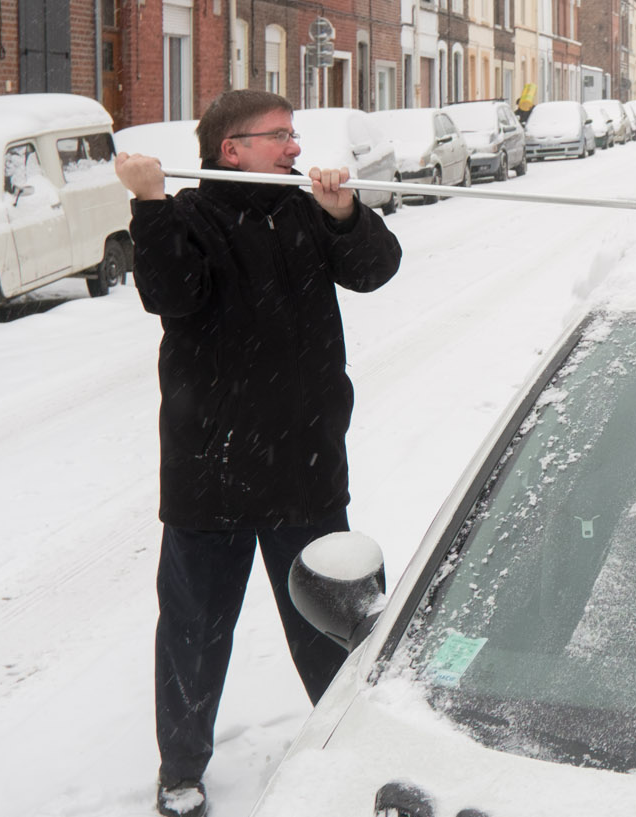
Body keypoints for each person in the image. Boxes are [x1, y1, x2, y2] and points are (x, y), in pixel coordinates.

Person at [113, 89, 403, 817]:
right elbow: (170, 293)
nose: (296, 146)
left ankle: (358, 747)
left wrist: (346, 215)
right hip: (209, 477)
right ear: (231, 149)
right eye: (279, 135)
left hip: (305, 469)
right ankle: (181, 770)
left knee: (336, 626)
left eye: (293, 133)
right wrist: (148, 205)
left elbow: (375, 269)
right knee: (194, 634)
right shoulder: (184, 219)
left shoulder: (307, 210)